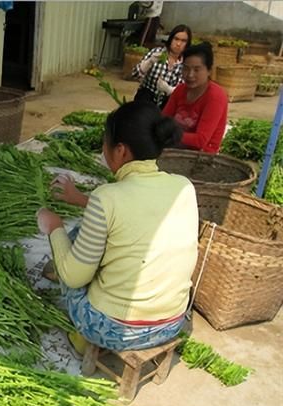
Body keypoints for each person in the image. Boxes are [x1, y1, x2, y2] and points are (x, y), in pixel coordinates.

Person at [37, 101, 198, 352]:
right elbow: (133, 211)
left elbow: (73, 277)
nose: (103, 150)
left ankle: (83, 337)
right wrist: (80, 199)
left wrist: (55, 228)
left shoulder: (106, 197)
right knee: (93, 235)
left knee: (71, 256)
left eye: (106, 144)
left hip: (114, 330)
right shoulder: (184, 187)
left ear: (121, 150)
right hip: (172, 322)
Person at [162, 42, 228, 154]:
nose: (190, 75)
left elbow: (200, 140)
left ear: (209, 71)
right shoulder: (180, 90)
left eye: (197, 70)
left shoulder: (216, 96)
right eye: (186, 69)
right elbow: (163, 119)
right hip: (174, 147)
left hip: (200, 156)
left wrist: (169, 134)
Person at [132, 24, 192, 109]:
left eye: (183, 41)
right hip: (146, 99)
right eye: (176, 39)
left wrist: (168, 89)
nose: (178, 44)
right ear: (171, 39)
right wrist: (149, 62)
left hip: (168, 103)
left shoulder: (186, 63)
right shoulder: (157, 52)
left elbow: (185, 91)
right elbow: (135, 74)